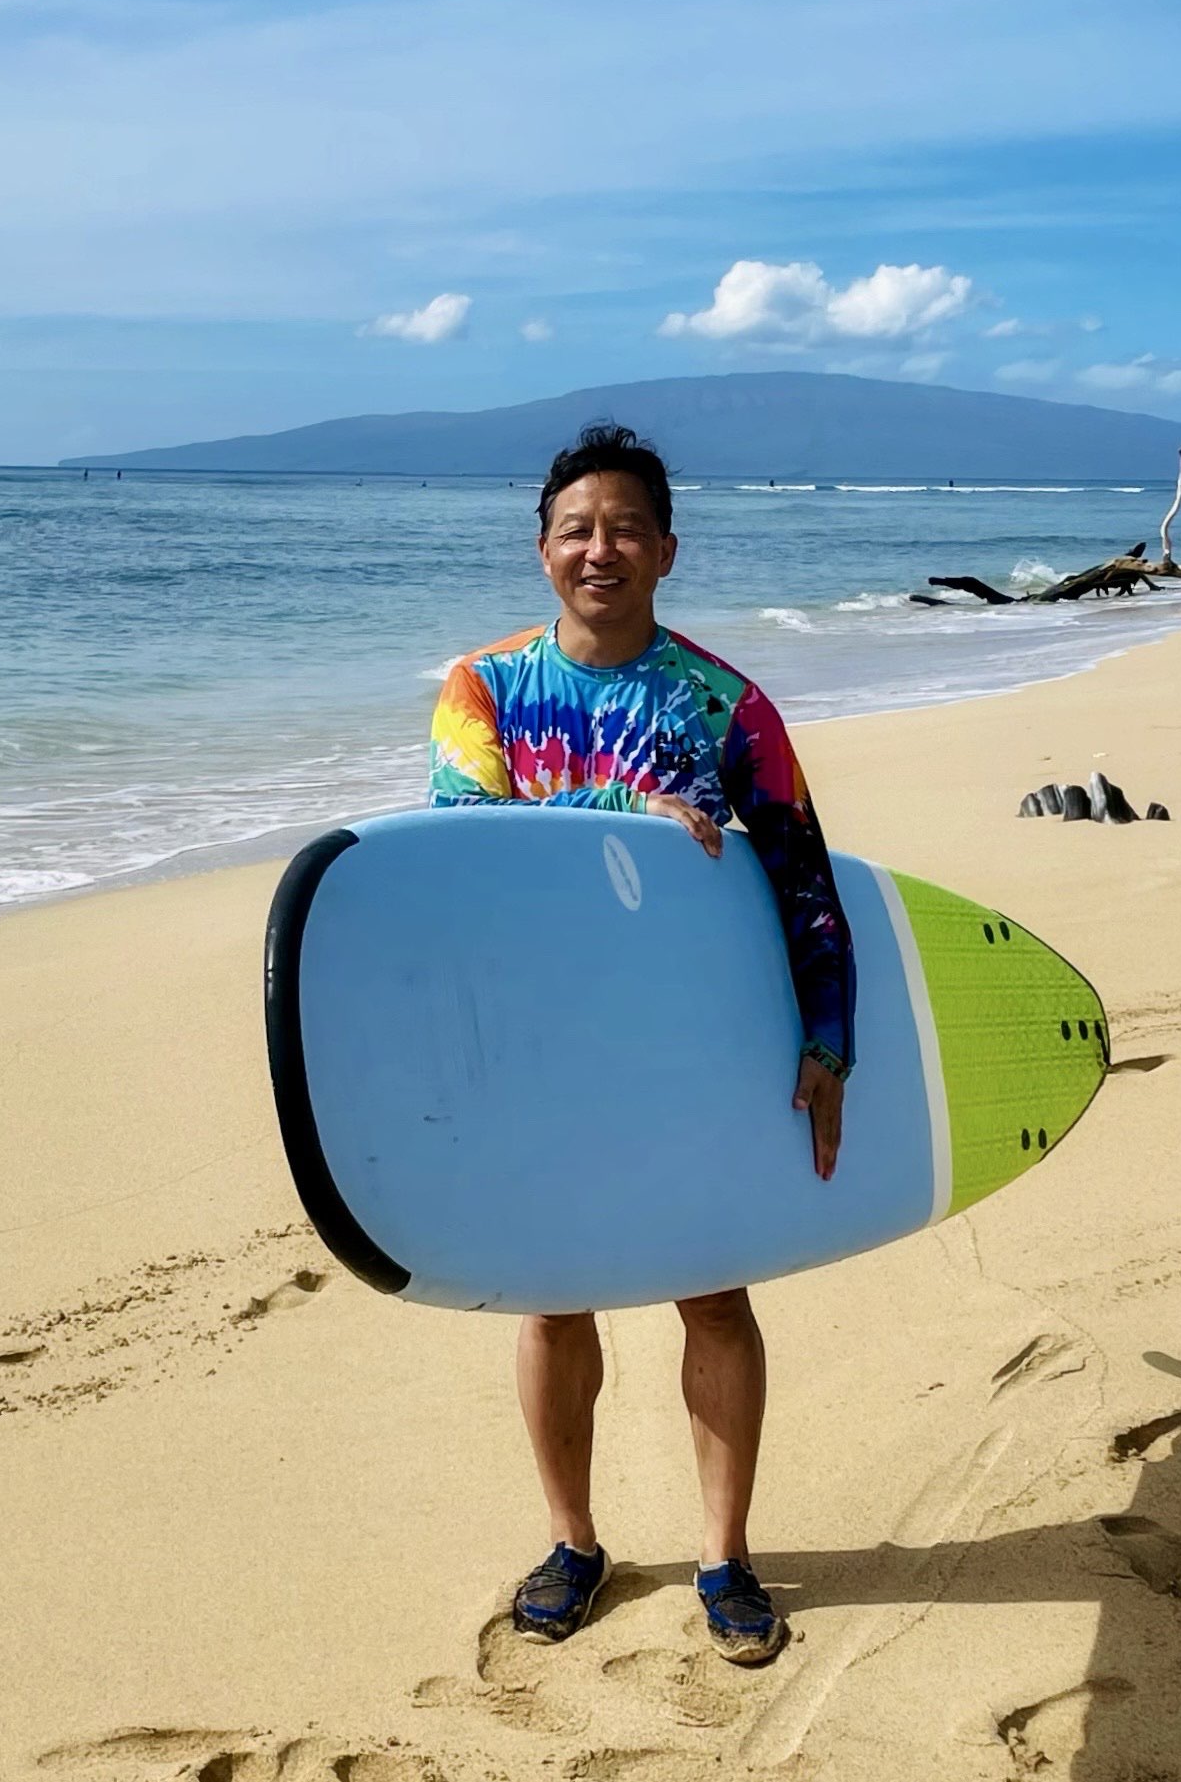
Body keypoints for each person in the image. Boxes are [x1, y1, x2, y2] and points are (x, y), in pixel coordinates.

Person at [427, 421, 854, 1668]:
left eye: (622, 528)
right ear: (541, 549)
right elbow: (466, 842)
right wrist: (624, 805)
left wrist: (827, 1045)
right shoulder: (483, 690)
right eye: (574, 528)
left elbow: (806, 888)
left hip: (686, 1049)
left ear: (665, 548)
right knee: (554, 1298)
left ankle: (723, 1554)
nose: (597, 548)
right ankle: (574, 1540)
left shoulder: (728, 706)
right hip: (538, 1050)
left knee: (710, 1291)